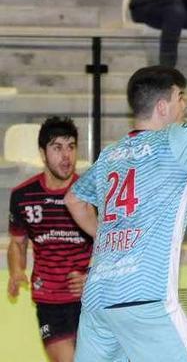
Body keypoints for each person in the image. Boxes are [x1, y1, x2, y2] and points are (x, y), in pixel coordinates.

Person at [63, 65, 187, 361]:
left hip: (98, 297)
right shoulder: (174, 142)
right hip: (144, 295)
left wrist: (107, 236)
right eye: (180, 97)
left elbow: (74, 200)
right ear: (162, 107)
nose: (185, 105)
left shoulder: (110, 154)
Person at [7, 117, 91, 362]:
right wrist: (16, 271)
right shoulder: (23, 195)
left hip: (90, 299)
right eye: (57, 147)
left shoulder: (90, 193)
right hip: (50, 301)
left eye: (71, 146)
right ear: (43, 153)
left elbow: (112, 245)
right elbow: (17, 243)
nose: (66, 155)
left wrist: (92, 277)